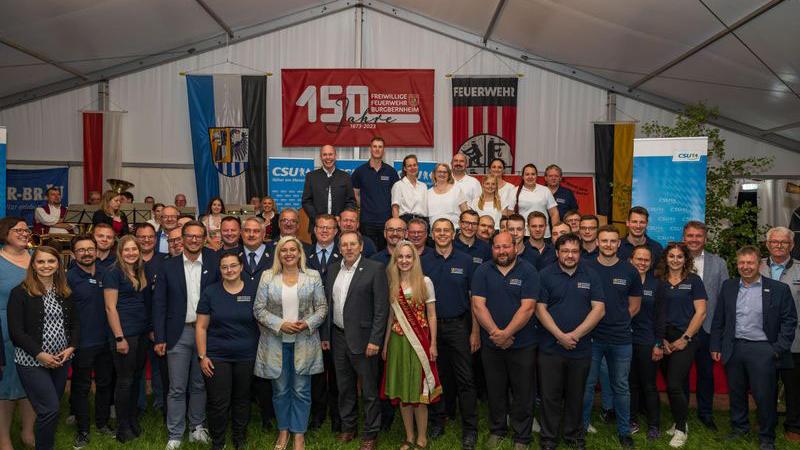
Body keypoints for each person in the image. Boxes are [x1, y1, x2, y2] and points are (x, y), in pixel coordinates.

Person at [711, 246, 797, 450]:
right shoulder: (729, 286)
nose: (745, 267)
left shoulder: (778, 289)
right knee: (737, 392)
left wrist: (777, 349)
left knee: (764, 395)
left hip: (763, 350)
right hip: (734, 348)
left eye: (750, 262)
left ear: (759, 263)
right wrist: (716, 344)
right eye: (741, 263)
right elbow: (719, 319)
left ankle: (767, 436)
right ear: (737, 264)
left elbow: (789, 321)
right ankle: (739, 428)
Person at [254, 236, 328, 450]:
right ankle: (283, 431)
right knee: (280, 391)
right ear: (278, 254)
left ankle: (299, 435)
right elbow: (258, 309)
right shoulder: (268, 277)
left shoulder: (312, 276)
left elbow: (322, 308)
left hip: (303, 342)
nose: (288, 254)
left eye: (292, 250)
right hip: (276, 343)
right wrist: (280, 324)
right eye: (284, 250)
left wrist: (306, 323)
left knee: (302, 390)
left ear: (299, 253)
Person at [153, 221, 220, 449]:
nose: (194, 240)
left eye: (199, 236)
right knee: (177, 387)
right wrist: (160, 337)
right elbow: (159, 303)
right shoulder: (168, 266)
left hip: (206, 333)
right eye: (189, 236)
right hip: (177, 333)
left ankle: (197, 427)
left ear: (204, 238)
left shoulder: (214, 261)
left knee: (200, 384)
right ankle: (175, 433)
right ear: (182, 238)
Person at [536, 233, 605, 450]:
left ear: (580, 253)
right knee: (550, 396)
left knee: (577, 395)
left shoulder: (591, 275)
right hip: (550, 348)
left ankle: (574, 436)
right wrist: (559, 335)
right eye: (565, 251)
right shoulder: (545, 275)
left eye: (574, 251)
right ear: (557, 253)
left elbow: (599, 309)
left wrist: (575, 335)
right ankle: (548, 438)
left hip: (580, 348)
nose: (570, 255)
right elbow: (539, 309)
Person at [472, 232, 539, 449]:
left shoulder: (528, 271)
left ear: (516, 247)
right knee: (495, 389)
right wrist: (496, 334)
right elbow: (478, 305)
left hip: (522, 344)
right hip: (492, 344)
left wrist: (507, 333)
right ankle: (497, 429)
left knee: (523, 391)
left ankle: (522, 437)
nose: (502, 251)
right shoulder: (482, 271)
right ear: (492, 249)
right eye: (497, 247)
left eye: (506, 246)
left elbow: (528, 307)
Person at [322, 231, 389, 450]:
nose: (348, 248)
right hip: (338, 337)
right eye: (344, 245)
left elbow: (381, 309)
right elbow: (328, 306)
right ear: (339, 248)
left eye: (353, 244)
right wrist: (326, 337)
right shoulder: (332, 270)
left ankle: (371, 433)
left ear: (361, 246)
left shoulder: (375, 269)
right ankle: (348, 428)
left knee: (369, 391)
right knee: (344, 388)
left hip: (365, 340)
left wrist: (375, 340)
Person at [8, 246, 79, 450]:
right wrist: (40, 355)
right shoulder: (20, 293)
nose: (46, 266)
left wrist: (71, 347)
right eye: (41, 261)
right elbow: (16, 332)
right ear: (33, 265)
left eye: (51, 261)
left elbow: (75, 323)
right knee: (49, 409)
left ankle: (44, 443)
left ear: (58, 265)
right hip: (31, 361)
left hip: (60, 360)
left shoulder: (65, 292)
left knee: (49, 409)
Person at [580, 225, 642, 448]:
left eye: (612, 241)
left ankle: (624, 432)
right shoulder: (585, 267)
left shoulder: (630, 271)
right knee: (587, 385)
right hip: (591, 337)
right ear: (597, 243)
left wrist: (618, 320)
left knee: (621, 386)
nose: (608, 244)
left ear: (619, 244)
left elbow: (634, 305)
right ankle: (581, 429)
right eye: (604, 240)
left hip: (621, 338)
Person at [423, 219, 479, 449]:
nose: (443, 234)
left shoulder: (466, 261)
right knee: (437, 377)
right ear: (432, 234)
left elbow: (474, 299)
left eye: (447, 230)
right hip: (431, 329)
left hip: (459, 326)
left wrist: (475, 331)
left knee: (465, 378)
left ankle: (470, 428)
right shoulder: (423, 261)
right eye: (438, 230)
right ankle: (438, 420)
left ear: (453, 234)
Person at [195, 252, 260, 450]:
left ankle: (239, 439)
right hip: (217, 356)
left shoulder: (253, 290)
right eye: (225, 267)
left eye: (233, 266)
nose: (229, 270)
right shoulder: (210, 292)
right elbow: (201, 327)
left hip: (247, 356)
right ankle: (218, 441)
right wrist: (202, 356)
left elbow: (261, 321)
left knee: (242, 399)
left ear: (241, 267)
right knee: (218, 402)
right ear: (220, 270)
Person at [381, 240, 441, 450]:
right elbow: (390, 318)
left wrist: (433, 343)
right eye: (400, 257)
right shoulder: (391, 284)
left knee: (418, 391)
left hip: (419, 343)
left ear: (414, 259)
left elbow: (432, 316)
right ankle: (409, 436)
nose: (404, 260)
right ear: (395, 260)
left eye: (408, 256)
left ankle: (422, 437)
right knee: (403, 392)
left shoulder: (425, 282)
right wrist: (387, 343)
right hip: (398, 343)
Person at [654, 242, 707, 448]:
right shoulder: (659, 281)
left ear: (686, 259)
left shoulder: (694, 281)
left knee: (675, 384)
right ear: (666, 258)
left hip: (686, 337)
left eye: (679, 256)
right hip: (664, 337)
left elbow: (701, 312)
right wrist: (662, 340)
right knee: (671, 383)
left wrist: (685, 338)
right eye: (671, 256)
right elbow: (655, 312)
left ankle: (681, 429)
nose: (675, 260)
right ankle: (679, 419)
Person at [67, 235, 113, 448]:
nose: (86, 253)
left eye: (90, 249)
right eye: (81, 250)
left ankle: (102, 423)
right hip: (82, 342)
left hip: (106, 340)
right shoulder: (68, 278)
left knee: (105, 384)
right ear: (74, 254)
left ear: (96, 251)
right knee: (81, 387)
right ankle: (83, 429)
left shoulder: (108, 273)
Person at [683, 220, 728, 430]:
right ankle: (679, 414)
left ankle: (706, 413)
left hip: (708, 328)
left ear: (705, 239)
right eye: (690, 236)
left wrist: (719, 334)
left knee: (706, 374)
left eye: (698, 236)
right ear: (684, 237)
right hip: (681, 328)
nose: (694, 240)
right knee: (679, 372)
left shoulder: (719, 263)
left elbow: (724, 300)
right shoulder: (674, 260)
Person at [103, 235, 149, 442]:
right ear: (120, 252)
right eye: (127, 250)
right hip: (124, 334)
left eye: (134, 250)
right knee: (125, 381)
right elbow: (110, 307)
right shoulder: (113, 272)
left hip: (140, 332)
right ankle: (122, 428)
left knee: (136, 378)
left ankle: (131, 420)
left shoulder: (138, 270)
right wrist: (119, 337)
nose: (131, 253)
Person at [759, 227, 800, 441]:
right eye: (774, 242)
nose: (779, 245)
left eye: (784, 242)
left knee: (794, 386)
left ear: (792, 245)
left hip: (795, 340)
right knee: (765, 384)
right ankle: (767, 421)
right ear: (767, 244)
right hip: (762, 340)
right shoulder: (756, 266)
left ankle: (794, 425)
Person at [0, 217, 36, 449]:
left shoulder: (35, 258)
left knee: (32, 381)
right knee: (6, 385)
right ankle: (4, 438)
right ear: (5, 233)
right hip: (3, 329)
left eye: (27, 229)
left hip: (34, 330)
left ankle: (28, 432)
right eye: (19, 230)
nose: (25, 233)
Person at [306, 215, 342, 431]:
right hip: (310, 325)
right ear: (314, 230)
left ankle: (338, 416)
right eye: (321, 227)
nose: (325, 231)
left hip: (336, 325)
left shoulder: (343, 254)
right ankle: (317, 415)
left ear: (336, 231)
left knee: (338, 374)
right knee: (316, 374)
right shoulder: (304, 254)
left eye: (329, 228)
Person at [628, 245, 663, 440]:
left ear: (650, 263)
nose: (642, 263)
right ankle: (631, 420)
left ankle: (654, 424)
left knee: (649, 385)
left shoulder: (657, 284)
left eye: (646, 260)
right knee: (630, 384)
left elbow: (660, 317)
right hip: (626, 340)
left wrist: (658, 343)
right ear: (631, 260)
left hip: (648, 341)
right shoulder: (624, 280)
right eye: (638, 259)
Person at [135, 223, 167, 415]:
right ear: (135, 238)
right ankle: (138, 404)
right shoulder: (128, 260)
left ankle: (160, 402)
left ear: (155, 240)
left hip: (157, 325)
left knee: (159, 367)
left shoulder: (165, 260)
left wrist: (158, 327)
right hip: (135, 324)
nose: (146, 240)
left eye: (150, 237)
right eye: (141, 236)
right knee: (136, 367)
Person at [352, 136, 400, 250]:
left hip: (386, 222)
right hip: (367, 222)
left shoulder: (391, 171)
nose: (377, 149)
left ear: (384, 150)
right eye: (375, 146)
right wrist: (365, 206)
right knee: (368, 253)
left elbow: (396, 196)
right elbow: (355, 194)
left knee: (386, 253)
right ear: (370, 149)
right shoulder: (360, 171)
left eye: (380, 147)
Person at [302, 145, 356, 232]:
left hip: (339, 228)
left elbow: (351, 201)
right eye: (325, 155)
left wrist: (342, 217)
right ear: (320, 157)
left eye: (330, 154)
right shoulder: (311, 176)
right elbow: (306, 201)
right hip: (318, 227)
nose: (328, 157)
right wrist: (317, 219)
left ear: (335, 156)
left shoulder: (345, 176)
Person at [512, 164, 559, 237]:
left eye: (533, 174)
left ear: (536, 176)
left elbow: (554, 213)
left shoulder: (545, 190)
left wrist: (556, 233)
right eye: (527, 174)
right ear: (522, 176)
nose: (530, 177)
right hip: (523, 234)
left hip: (544, 234)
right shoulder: (514, 191)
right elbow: (510, 214)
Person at [427, 163, 468, 229]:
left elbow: (466, 213)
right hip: (435, 234)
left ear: (449, 175)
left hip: (454, 232)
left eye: (445, 172)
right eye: (439, 172)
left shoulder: (456, 190)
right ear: (434, 174)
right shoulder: (428, 193)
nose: (442, 174)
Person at [392, 154, 429, 224]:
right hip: (406, 221)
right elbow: (395, 208)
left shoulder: (423, 186)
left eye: (414, 165)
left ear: (417, 166)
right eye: (409, 166)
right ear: (405, 168)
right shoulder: (398, 185)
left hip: (423, 222)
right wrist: (397, 226)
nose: (412, 168)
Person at [240, 217, 273, 284]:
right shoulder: (233, 254)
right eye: (247, 230)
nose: (251, 235)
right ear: (241, 233)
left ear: (263, 234)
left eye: (256, 231)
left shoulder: (274, 253)